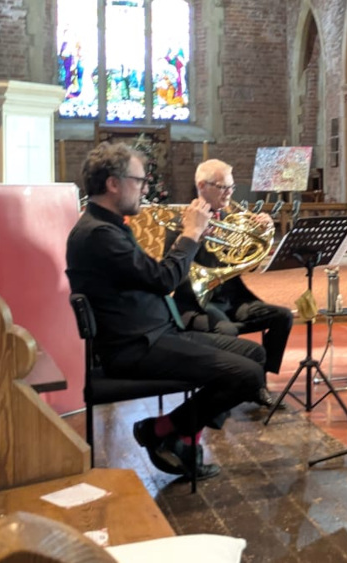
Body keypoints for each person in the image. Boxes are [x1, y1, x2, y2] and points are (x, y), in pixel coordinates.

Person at [66, 142, 267, 480]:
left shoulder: (111, 225)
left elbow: (151, 274)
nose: (145, 189)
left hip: (158, 331)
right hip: (136, 346)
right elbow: (164, 280)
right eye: (140, 181)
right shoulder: (98, 234)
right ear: (113, 183)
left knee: (254, 356)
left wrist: (198, 237)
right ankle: (161, 430)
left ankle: (180, 435)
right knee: (246, 375)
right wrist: (189, 232)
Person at [166, 159, 294, 409]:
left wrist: (260, 233)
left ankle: (259, 383)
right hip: (197, 302)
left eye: (232, 188)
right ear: (202, 186)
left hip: (232, 299)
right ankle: (226, 391)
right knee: (227, 331)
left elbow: (249, 264)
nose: (229, 193)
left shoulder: (232, 217)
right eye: (223, 187)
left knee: (283, 317)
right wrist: (194, 239)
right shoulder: (180, 221)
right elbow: (174, 271)